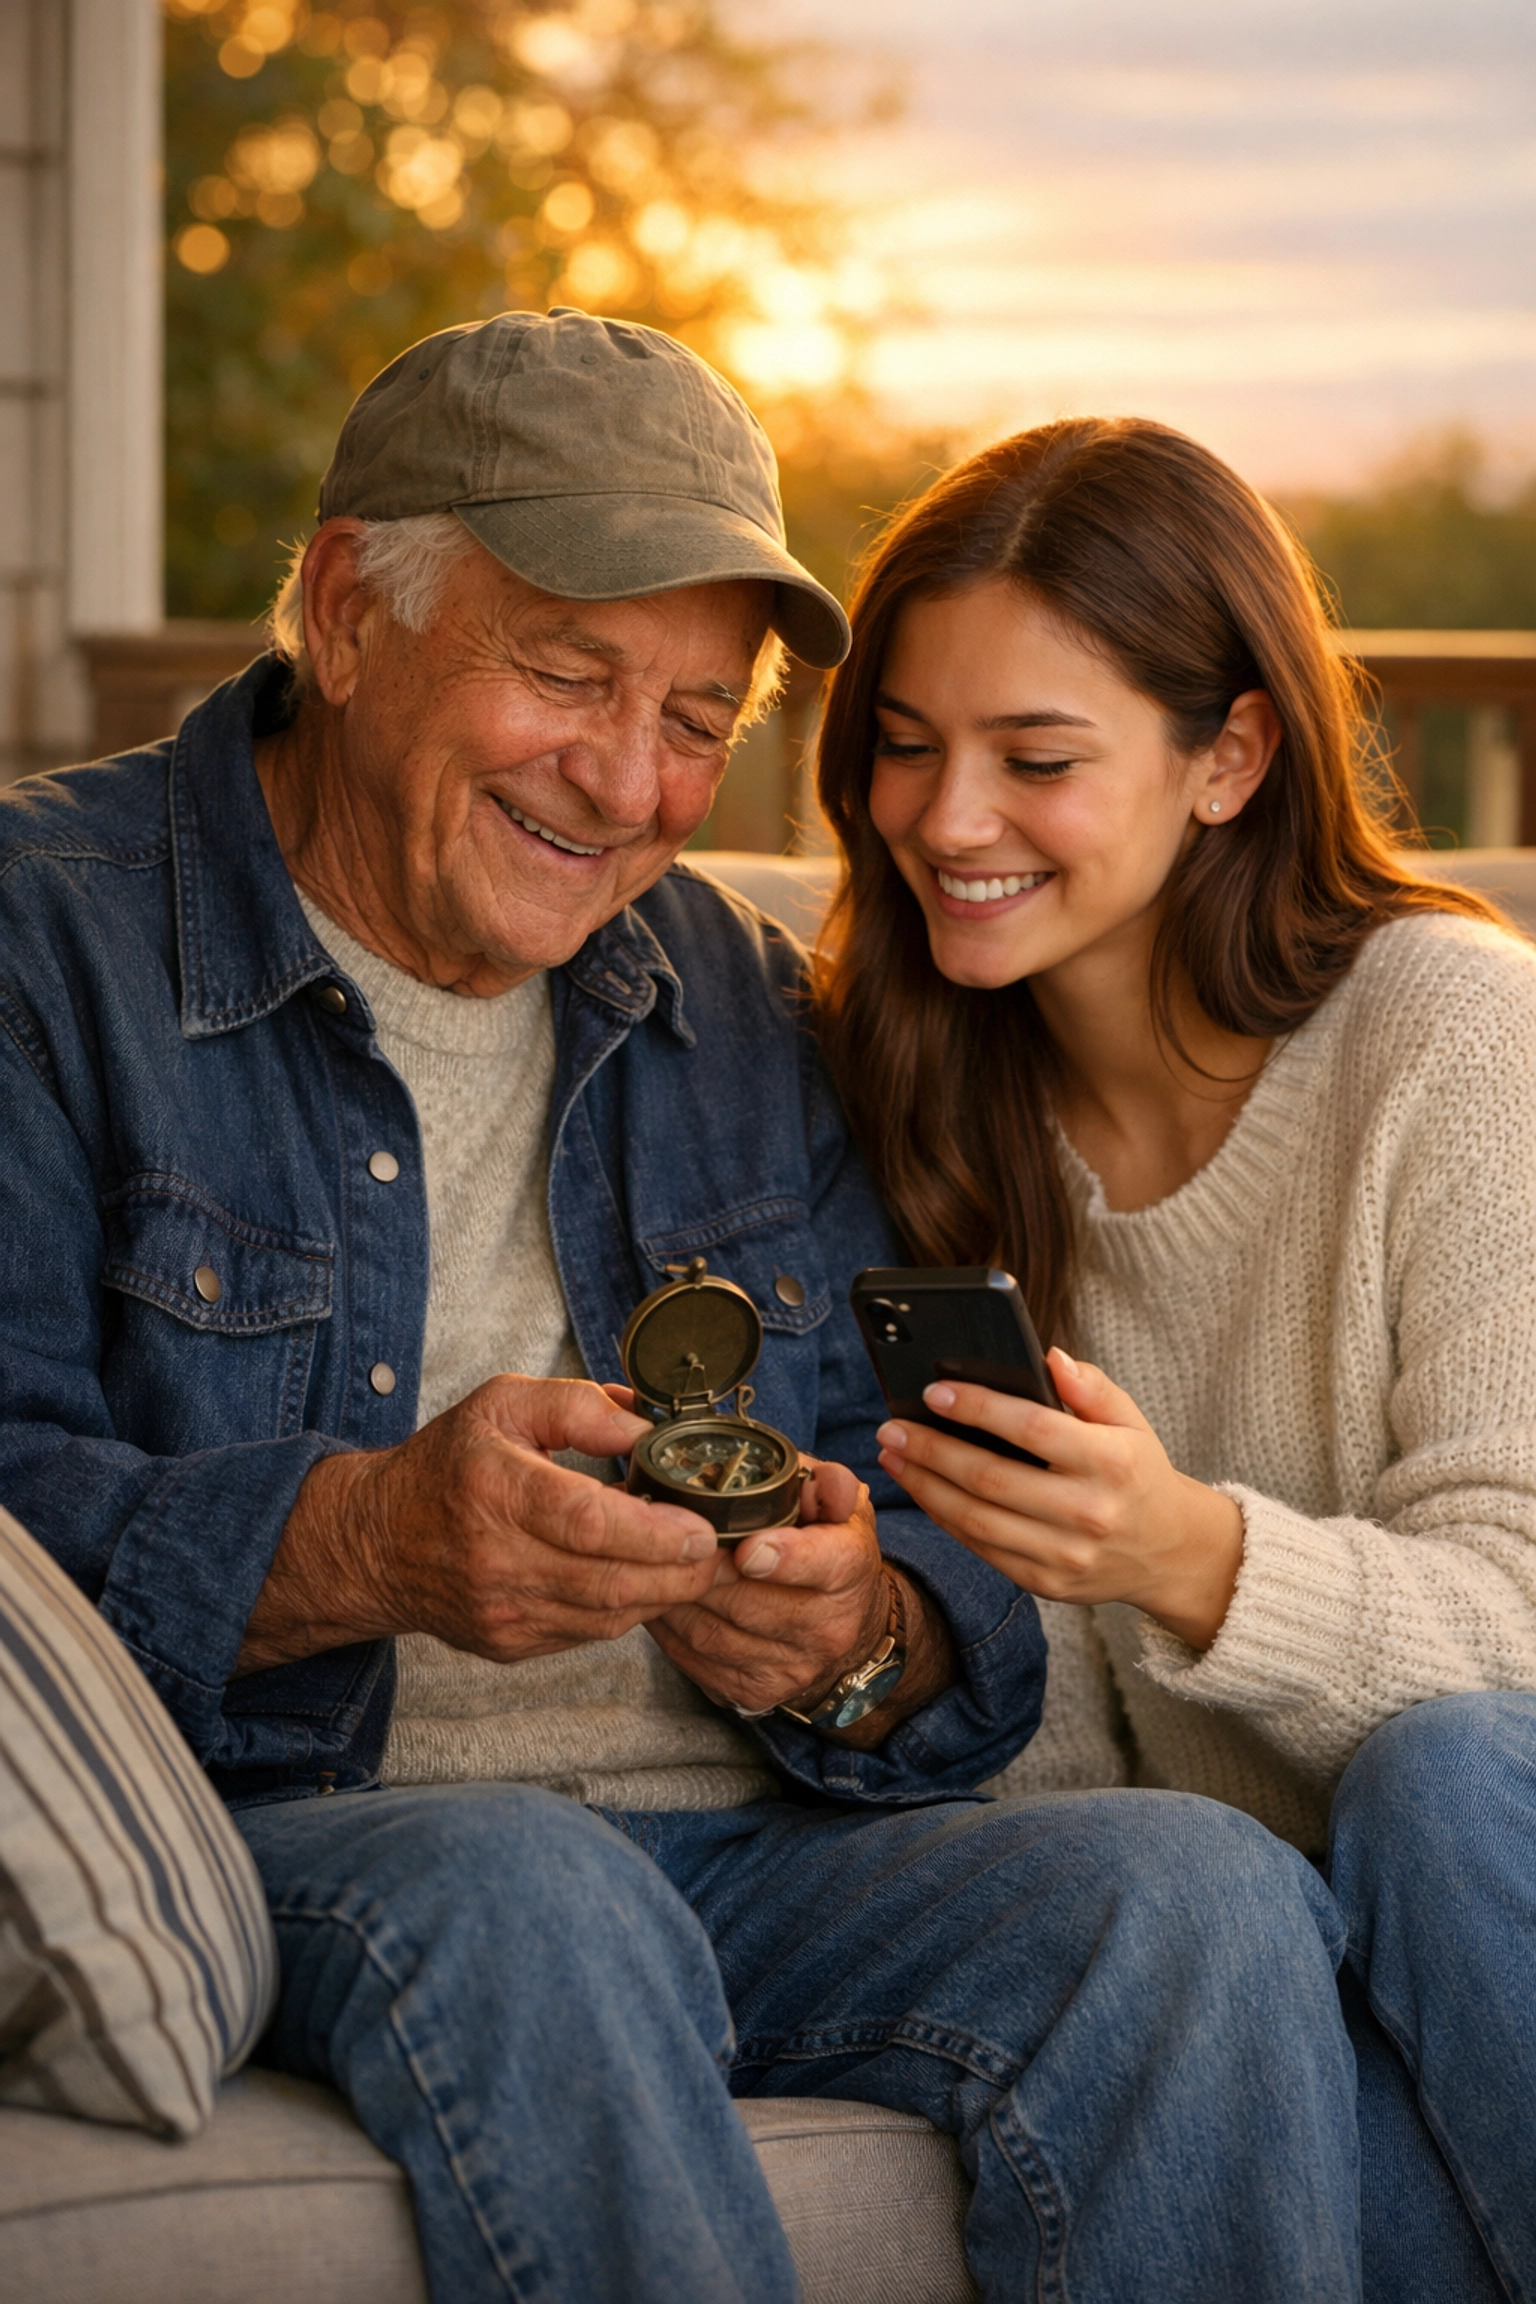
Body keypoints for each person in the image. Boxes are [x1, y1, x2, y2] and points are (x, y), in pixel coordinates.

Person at [0, 321, 1359, 2303]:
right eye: (568, 675)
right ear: (342, 612)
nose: (632, 783)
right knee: (539, 1895)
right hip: (313, 1835)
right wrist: (368, 1542)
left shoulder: (732, 992)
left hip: (750, 1848)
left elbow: (943, 1588)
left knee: (1195, 1894)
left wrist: (843, 1638)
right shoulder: (48, 947)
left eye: (697, 714)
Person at [813, 412, 1536, 2301]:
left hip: (1495, 1890)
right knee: (1197, 1954)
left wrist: (1188, 1557)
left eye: (1034, 758)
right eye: (905, 744)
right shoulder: (920, 1110)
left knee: (1448, 1777)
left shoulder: (1453, 1038)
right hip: (1275, 1957)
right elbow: (1043, 1763)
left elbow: (1528, 1635)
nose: (945, 819)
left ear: (1229, 757)